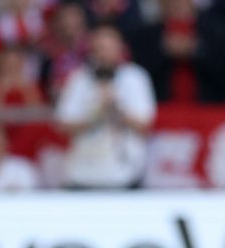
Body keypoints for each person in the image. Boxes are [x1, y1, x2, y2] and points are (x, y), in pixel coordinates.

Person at [55, 23, 156, 189]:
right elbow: (64, 125)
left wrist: (115, 107)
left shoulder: (135, 78)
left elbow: (144, 125)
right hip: (83, 173)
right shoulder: (79, 79)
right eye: (99, 49)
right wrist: (95, 113)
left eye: (108, 48)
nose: (103, 54)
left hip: (124, 173)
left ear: (120, 49)